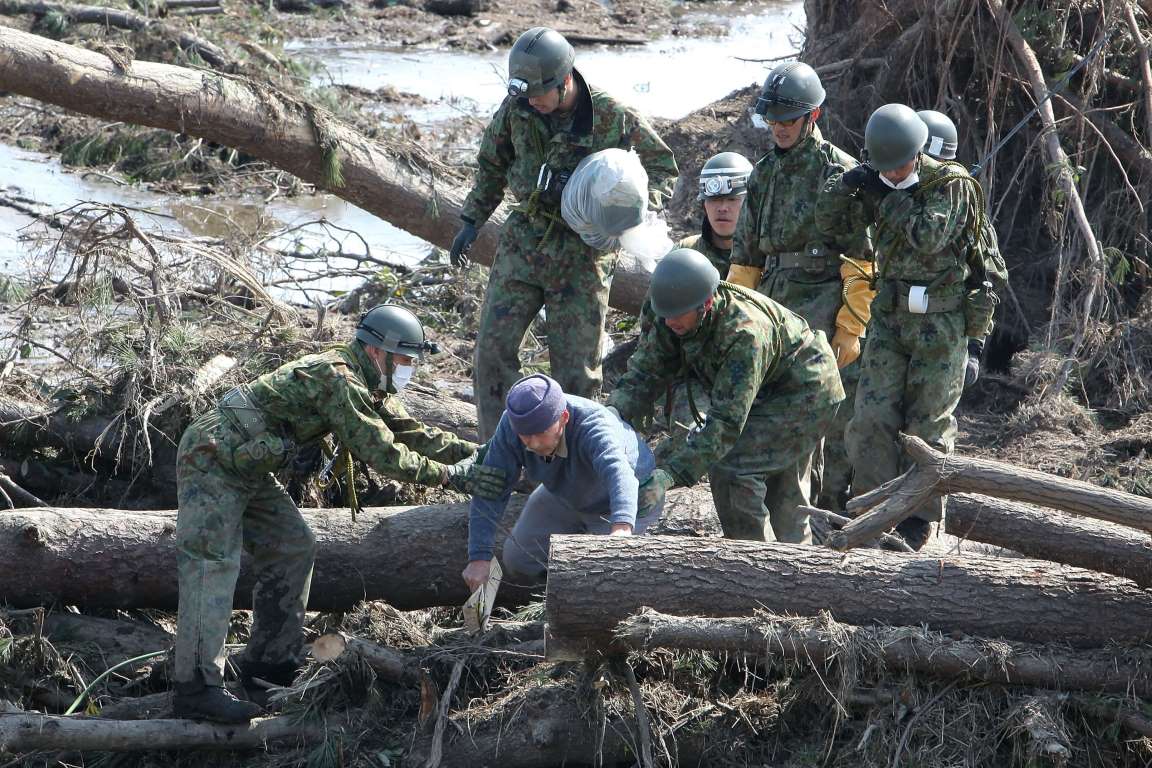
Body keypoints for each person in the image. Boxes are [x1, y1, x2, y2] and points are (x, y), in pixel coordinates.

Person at [172, 305, 506, 723]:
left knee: (294, 546)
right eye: (404, 361)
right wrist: (451, 478)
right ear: (376, 353)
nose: (408, 370)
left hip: (249, 465)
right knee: (212, 564)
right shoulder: (339, 378)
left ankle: (268, 665)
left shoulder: (367, 382)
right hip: (214, 457)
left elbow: (410, 433)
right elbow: (382, 451)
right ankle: (196, 688)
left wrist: (479, 456)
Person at [449, 26, 679, 440]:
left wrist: (632, 214)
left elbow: (663, 167)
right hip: (524, 241)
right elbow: (491, 166)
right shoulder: (518, 106)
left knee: (578, 371)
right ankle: (501, 454)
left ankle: (573, 463)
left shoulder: (611, 114)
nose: (533, 103)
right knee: (491, 353)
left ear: (566, 80)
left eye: (541, 94)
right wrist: (470, 221)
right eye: (527, 95)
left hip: (582, 255)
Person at [817, 103, 982, 549]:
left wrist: (886, 197)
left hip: (941, 324)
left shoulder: (951, 184)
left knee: (926, 425)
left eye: (900, 166)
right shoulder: (874, 181)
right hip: (888, 319)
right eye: (884, 169)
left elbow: (930, 238)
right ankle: (871, 509)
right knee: (870, 418)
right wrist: (847, 183)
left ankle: (917, 519)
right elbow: (829, 224)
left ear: (918, 152)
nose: (892, 175)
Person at [608, 248, 844, 544]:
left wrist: (671, 474)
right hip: (765, 388)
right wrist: (612, 416)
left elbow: (725, 424)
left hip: (806, 392)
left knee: (736, 470)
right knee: (770, 480)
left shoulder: (744, 334)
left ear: (705, 303)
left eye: (678, 316)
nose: (670, 323)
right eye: (665, 315)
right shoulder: (668, 309)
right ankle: (782, 564)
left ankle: (759, 567)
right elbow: (646, 371)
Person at [726, 61, 874, 511]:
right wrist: (735, 318)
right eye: (772, 120)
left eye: (788, 120)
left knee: (831, 415)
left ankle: (831, 509)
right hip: (772, 303)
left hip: (824, 302)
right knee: (776, 412)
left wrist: (851, 326)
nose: (779, 129)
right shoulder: (763, 173)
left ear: (813, 117)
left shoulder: (841, 173)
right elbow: (745, 260)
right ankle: (789, 511)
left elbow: (860, 259)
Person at [462, 373, 663, 590]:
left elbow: (620, 474)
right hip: (565, 494)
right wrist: (479, 557)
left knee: (601, 581)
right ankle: (552, 598)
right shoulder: (511, 426)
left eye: (541, 434)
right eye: (525, 437)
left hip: (628, 498)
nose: (534, 444)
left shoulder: (594, 424)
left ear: (564, 417)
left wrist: (621, 529)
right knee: (519, 559)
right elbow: (491, 486)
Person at [917, 108, 1009, 389]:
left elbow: (987, 280)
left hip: (945, 335)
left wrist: (974, 348)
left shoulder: (969, 217)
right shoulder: (896, 202)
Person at [676, 151, 755, 275]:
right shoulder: (684, 255)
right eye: (714, 199)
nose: (723, 208)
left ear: (750, 205)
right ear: (704, 205)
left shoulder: (767, 259)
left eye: (732, 199)